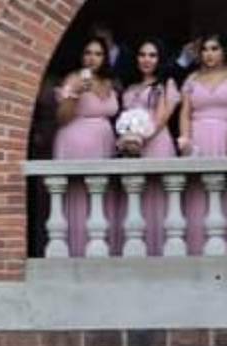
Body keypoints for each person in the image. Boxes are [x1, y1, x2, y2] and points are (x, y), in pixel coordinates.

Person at [53, 36, 119, 256]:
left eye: (98, 54)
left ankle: (103, 249)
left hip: (104, 144)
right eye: (88, 53)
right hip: (76, 141)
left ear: (105, 58)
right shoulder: (73, 78)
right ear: (81, 56)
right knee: (80, 195)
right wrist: (75, 93)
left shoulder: (109, 82)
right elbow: (62, 118)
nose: (92, 58)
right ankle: (76, 249)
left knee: (102, 196)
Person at [121, 39, 180, 256]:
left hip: (157, 144)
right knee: (137, 198)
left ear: (160, 59)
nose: (147, 59)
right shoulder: (129, 88)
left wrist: (139, 138)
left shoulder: (166, 85)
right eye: (142, 54)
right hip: (132, 148)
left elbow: (161, 119)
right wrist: (125, 140)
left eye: (152, 55)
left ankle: (163, 250)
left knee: (160, 197)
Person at [179, 33, 227, 255]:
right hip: (198, 137)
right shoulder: (192, 79)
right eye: (205, 49)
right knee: (198, 193)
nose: (209, 54)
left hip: (224, 136)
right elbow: (185, 114)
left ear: (224, 51)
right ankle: (197, 247)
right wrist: (185, 140)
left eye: (215, 48)